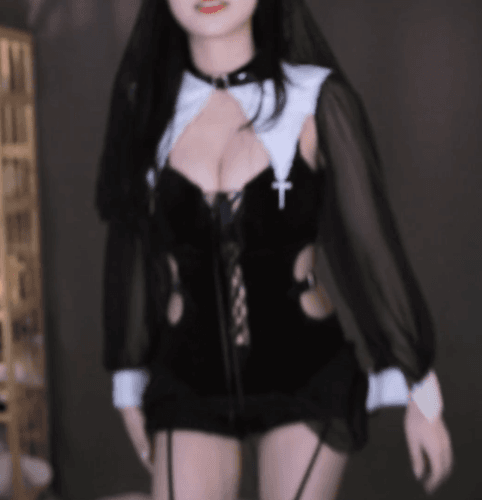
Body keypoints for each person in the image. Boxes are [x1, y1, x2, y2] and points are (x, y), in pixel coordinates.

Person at [95, 0, 454, 499]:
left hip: (304, 375)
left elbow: (372, 252)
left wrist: (423, 395)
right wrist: (127, 381)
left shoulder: (315, 100)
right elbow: (130, 251)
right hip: (189, 380)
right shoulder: (149, 107)